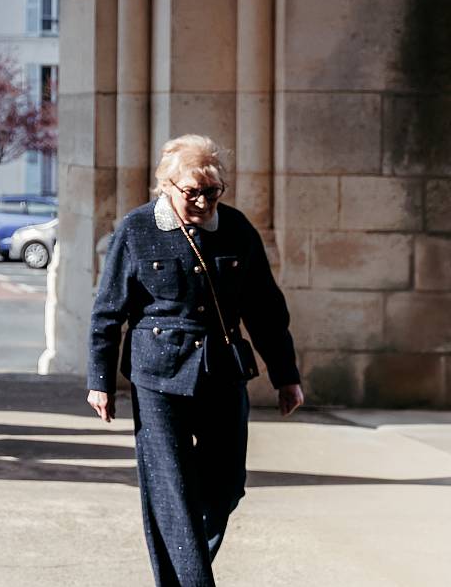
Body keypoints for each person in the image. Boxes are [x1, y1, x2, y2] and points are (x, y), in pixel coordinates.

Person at [86, 134, 304, 587]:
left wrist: (286, 376)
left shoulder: (237, 229)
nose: (204, 202)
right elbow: (108, 311)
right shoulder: (137, 228)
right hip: (157, 375)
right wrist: (100, 380)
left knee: (227, 485)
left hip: (223, 370)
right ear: (166, 185)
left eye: (213, 191)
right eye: (193, 192)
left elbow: (265, 310)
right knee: (172, 489)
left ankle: (180, 575)